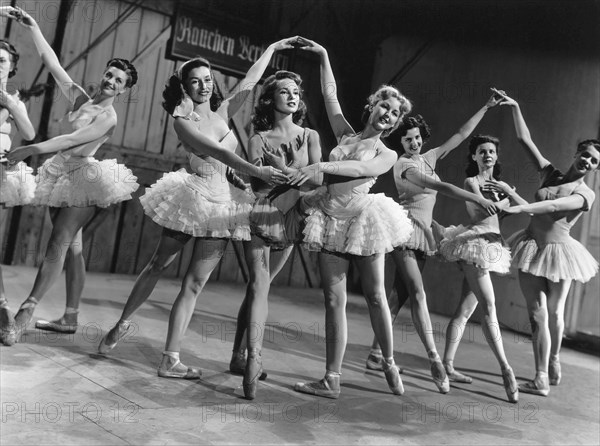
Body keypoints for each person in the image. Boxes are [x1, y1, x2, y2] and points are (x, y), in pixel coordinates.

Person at [98, 41, 295, 378]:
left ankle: (169, 358)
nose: (204, 85)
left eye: (208, 79)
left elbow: (249, 81)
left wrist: (273, 47)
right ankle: (122, 322)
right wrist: (256, 170)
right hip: (192, 198)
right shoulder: (181, 120)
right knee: (159, 263)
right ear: (184, 86)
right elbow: (220, 154)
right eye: (195, 81)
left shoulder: (221, 113)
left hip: (222, 206)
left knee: (194, 283)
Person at [1, 6, 139, 344]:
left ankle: (26, 310)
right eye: (109, 75)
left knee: (57, 244)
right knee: (73, 248)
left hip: (86, 179)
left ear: (123, 90)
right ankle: (70, 317)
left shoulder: (109, 117)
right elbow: (52, 63)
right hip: (60, 174)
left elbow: (73, 140)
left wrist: (32, 149)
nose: (110, 82)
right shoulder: (79, 96)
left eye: (118, 81)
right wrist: (33, 26)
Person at [288, 38, 413, 399]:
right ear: (372, 106)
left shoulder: (386, 154)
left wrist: (320, 166)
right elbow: (330, 98)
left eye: (393, 114)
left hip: (363, 218)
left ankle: (388, 361)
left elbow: (358, 168)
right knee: (333, 301)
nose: (387, 114)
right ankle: (331, 378)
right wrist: (325, 55)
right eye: (383, 107)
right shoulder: (345, 133)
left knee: (375, 296)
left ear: (394, 123)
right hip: (329, 218)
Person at [366, 94, 502, 394]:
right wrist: (477, 197)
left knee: (397, 297)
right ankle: (434, 360)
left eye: (417, 139)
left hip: (424, 234)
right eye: (407, 140)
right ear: (400, 143)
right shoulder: (402, 165)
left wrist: (485, 106)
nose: (414, 144)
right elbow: (438, 186)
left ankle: (376, 353)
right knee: (418, 293)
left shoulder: (427, 158)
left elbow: (461, 134)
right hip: (405, 232)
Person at [227, 70, 322, 399]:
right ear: (270, 99)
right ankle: (254, 357)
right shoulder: (258, 137)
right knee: (259, 287)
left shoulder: (310, 135)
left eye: (296, 91)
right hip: (264, 214)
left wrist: (288, 169)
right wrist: (287, 173)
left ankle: (238, 355)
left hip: (294, 217)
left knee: (258, 290)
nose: (293, 96)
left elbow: (316, 180)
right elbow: (257, 184)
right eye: (284, 91)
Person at [496, 89, 599, 396]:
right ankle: (541, 376)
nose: (587, 161)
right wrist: (515, 106)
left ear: (595, 169)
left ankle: (554, 357)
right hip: (531, 247)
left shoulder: (586, 195)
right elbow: (524, 140)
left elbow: (553, 208)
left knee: (555, 313)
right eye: (585, 155)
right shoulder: (550, 175)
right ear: (577, 153)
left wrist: (520, 206)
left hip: (560, 253)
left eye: (593, 162)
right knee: (536, 313)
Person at [437, 134, 527, 403]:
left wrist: (509, 193)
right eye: (482, 151)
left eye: (491, 151)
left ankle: (448, 365)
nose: (487, 155)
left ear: (496, 157)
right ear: (474, 157)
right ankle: (506, 370)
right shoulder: (471, 181)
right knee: (489, 306)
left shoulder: (500, 186)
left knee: (465, 311)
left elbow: (525, 208)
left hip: (491, 246)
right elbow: (486, 209)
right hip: (474, 244)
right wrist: (504, 202)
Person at [0, 38, 36, 346]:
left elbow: (30, 133)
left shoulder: (14, 99)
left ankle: (2, 310)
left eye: (2, 61)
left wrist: (11, 104)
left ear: (11, 68)